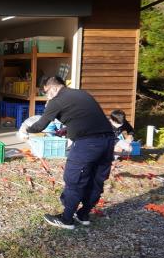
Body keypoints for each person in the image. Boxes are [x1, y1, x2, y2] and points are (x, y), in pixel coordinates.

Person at [25, 76, 115, 230]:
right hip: (107, 141)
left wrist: (27, 130)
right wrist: (67, 130)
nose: (47, 96)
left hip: (87, 144)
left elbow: (40, 125)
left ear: (53, 88)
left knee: (74, 180)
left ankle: (66, 220)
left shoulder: (57, 100)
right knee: (96, 180)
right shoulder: (81, 94)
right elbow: (85, 118)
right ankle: (83, 215)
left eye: (47, 92)